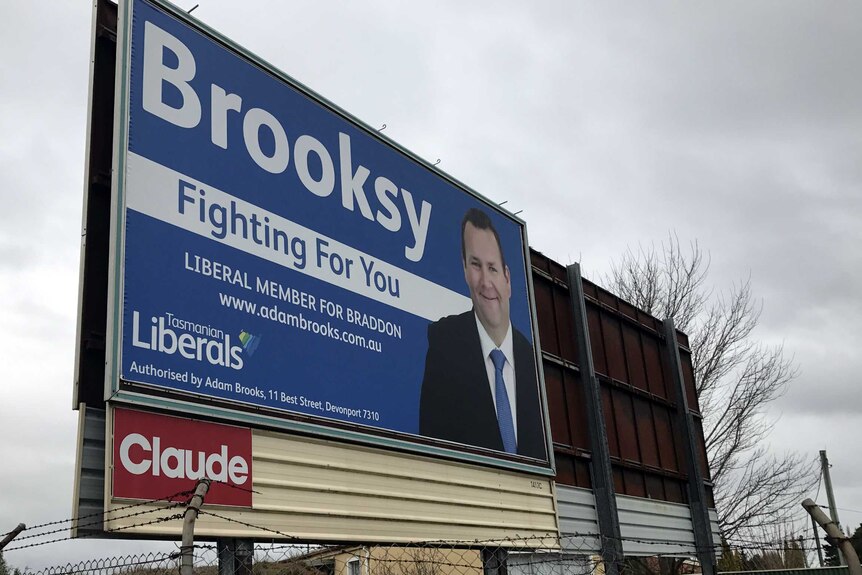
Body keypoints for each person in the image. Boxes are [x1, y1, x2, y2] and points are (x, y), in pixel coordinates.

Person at [419, 207, 546, 460]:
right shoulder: (444, 343)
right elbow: (432, 450)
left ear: (508, 279)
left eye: (493, 268)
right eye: (476, 266)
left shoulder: (532, 362)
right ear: (465, 270)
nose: (486, 282)